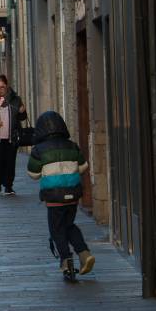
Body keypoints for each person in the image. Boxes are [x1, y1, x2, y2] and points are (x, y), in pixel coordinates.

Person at [26, 110, 95, 280]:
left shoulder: (38, 150)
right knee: (69, 224)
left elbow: (33, 174)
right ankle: (84, 253)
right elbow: (83, 166)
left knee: (56, 229)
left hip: (54, 196)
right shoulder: (72, 145)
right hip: (73, 193)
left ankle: (66, 262)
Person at [0, 75, 28, 195]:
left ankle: (8, 186)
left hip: (12, 135)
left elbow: (22, 117)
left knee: (10, 161)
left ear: (7, 85)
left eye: (2, 87)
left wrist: (22, 111)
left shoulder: (15, 99)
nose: (0, 90)